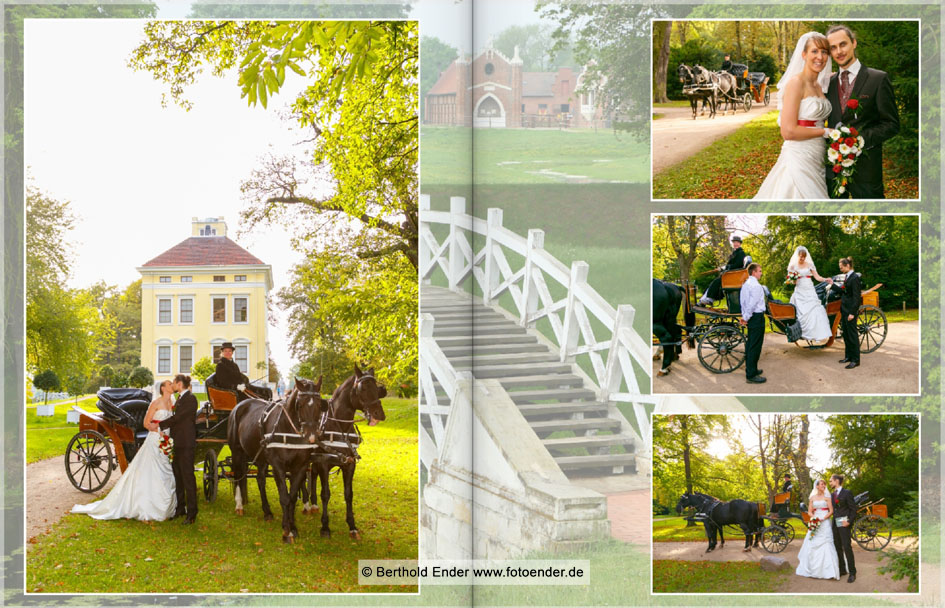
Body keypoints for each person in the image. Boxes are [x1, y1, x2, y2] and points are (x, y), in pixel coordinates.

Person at [72, 381, 177, 521]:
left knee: (166, 468)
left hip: (166, 438)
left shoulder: (171, 403)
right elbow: (146, 423)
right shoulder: (155, 403)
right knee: (153, 469)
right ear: (163, 388)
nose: (173, 386)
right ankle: (147, 504)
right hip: (156, 438)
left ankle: (167, 504)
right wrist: (159, 431)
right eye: (170, 384)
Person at [755, 32, 833, 199]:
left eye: (824, 52)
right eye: (814, 51)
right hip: (799, 155)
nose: (820, 57)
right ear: (803, 55)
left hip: (817, 154)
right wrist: (825, 132)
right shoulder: (796, 83)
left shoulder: (820, 86)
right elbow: (788, 132)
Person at [825, 24, 900, 199]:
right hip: (834, 171)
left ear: (854, 43)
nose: (839, 51)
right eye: (833, 48)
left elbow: (892, 124)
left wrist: (859, 140)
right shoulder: (828, 83)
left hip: (867, 171)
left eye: (843, 44)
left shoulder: (878, 79)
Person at [157, 374, 198, 524]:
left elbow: (178, 418)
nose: (173, 385)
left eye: (174, 383)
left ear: (179, 384)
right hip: (177, 443)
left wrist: (160, 425)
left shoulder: (191, 399)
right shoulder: (180, 398)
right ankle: (181, 508)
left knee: (188, 478)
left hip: (186, 444)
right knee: (178, 477)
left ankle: (192, 513)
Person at [796, 478, 841, 580]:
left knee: (827, 543)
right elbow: (809, 511)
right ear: (817, 486)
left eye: (824, 484)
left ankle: (830, 571)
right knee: (812, 542)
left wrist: (823, 518)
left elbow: (831, 510)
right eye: (822, 484)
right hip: (815, 522)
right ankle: (812, 569)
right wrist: (814, 518)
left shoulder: (827, 497)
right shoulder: (812, 498)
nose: (824, 486)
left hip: (825, 522)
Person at [787, 246, 833, 341]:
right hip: (799, 290)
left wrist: (825, 279)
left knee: (814, 309)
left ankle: (816, 334)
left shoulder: (809, 264)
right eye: (801, 256)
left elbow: (817, 277)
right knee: (800, 311)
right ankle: (800, 331)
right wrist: (793, 280)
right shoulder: (792, 266)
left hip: (809, 288)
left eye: (804, 256)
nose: (802, 258)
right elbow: (792, 281)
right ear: (797, 256)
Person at [699, 235, 751, 306]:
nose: (735, 244)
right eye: (734, 242)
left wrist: (724, 268)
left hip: (734, 276)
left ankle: (709, 299)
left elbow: (737, 265)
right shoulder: (735, 253)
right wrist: (724, 268)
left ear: (740, 243)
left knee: (716, 282)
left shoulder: (740, 253)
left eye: (737, 242)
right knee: (715, 282)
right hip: (732, 275)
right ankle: (705, 299)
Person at [828, 257, 861, 369]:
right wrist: (832, 284)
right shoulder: (848, 277)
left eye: (841, 267)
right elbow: (844, 292)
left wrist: (853, 312)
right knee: (846, 335)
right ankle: (848, 357)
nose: (841, 269)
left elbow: (857, 298)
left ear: (847, 266)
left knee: (852, 336)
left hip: (850, 311)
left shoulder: (855, 277)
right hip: (844, 310)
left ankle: (856, 360)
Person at [739, 263, 767, 384]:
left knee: (751, 344)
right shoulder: (756, 286)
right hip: (756, 317)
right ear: (754, 272)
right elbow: (752, 304)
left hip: (751, 317)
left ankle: (752, 369)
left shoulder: (746, 284)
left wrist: (745, 316)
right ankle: (751, 375)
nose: (761, 273)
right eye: (760, 271)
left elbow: (743, 303)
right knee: (755, 346)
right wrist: (746, 317)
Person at [829, 473, 857, 582]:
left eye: (831, 481)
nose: (830, 483)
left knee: (847, 547)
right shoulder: (832, 495)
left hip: (844, 522)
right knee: (837, 547)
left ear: (836, 481)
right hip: (835, 523)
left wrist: (849, 521)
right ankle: (842, 569)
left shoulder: (847, 493)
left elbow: (853, 509)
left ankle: (853, 572)